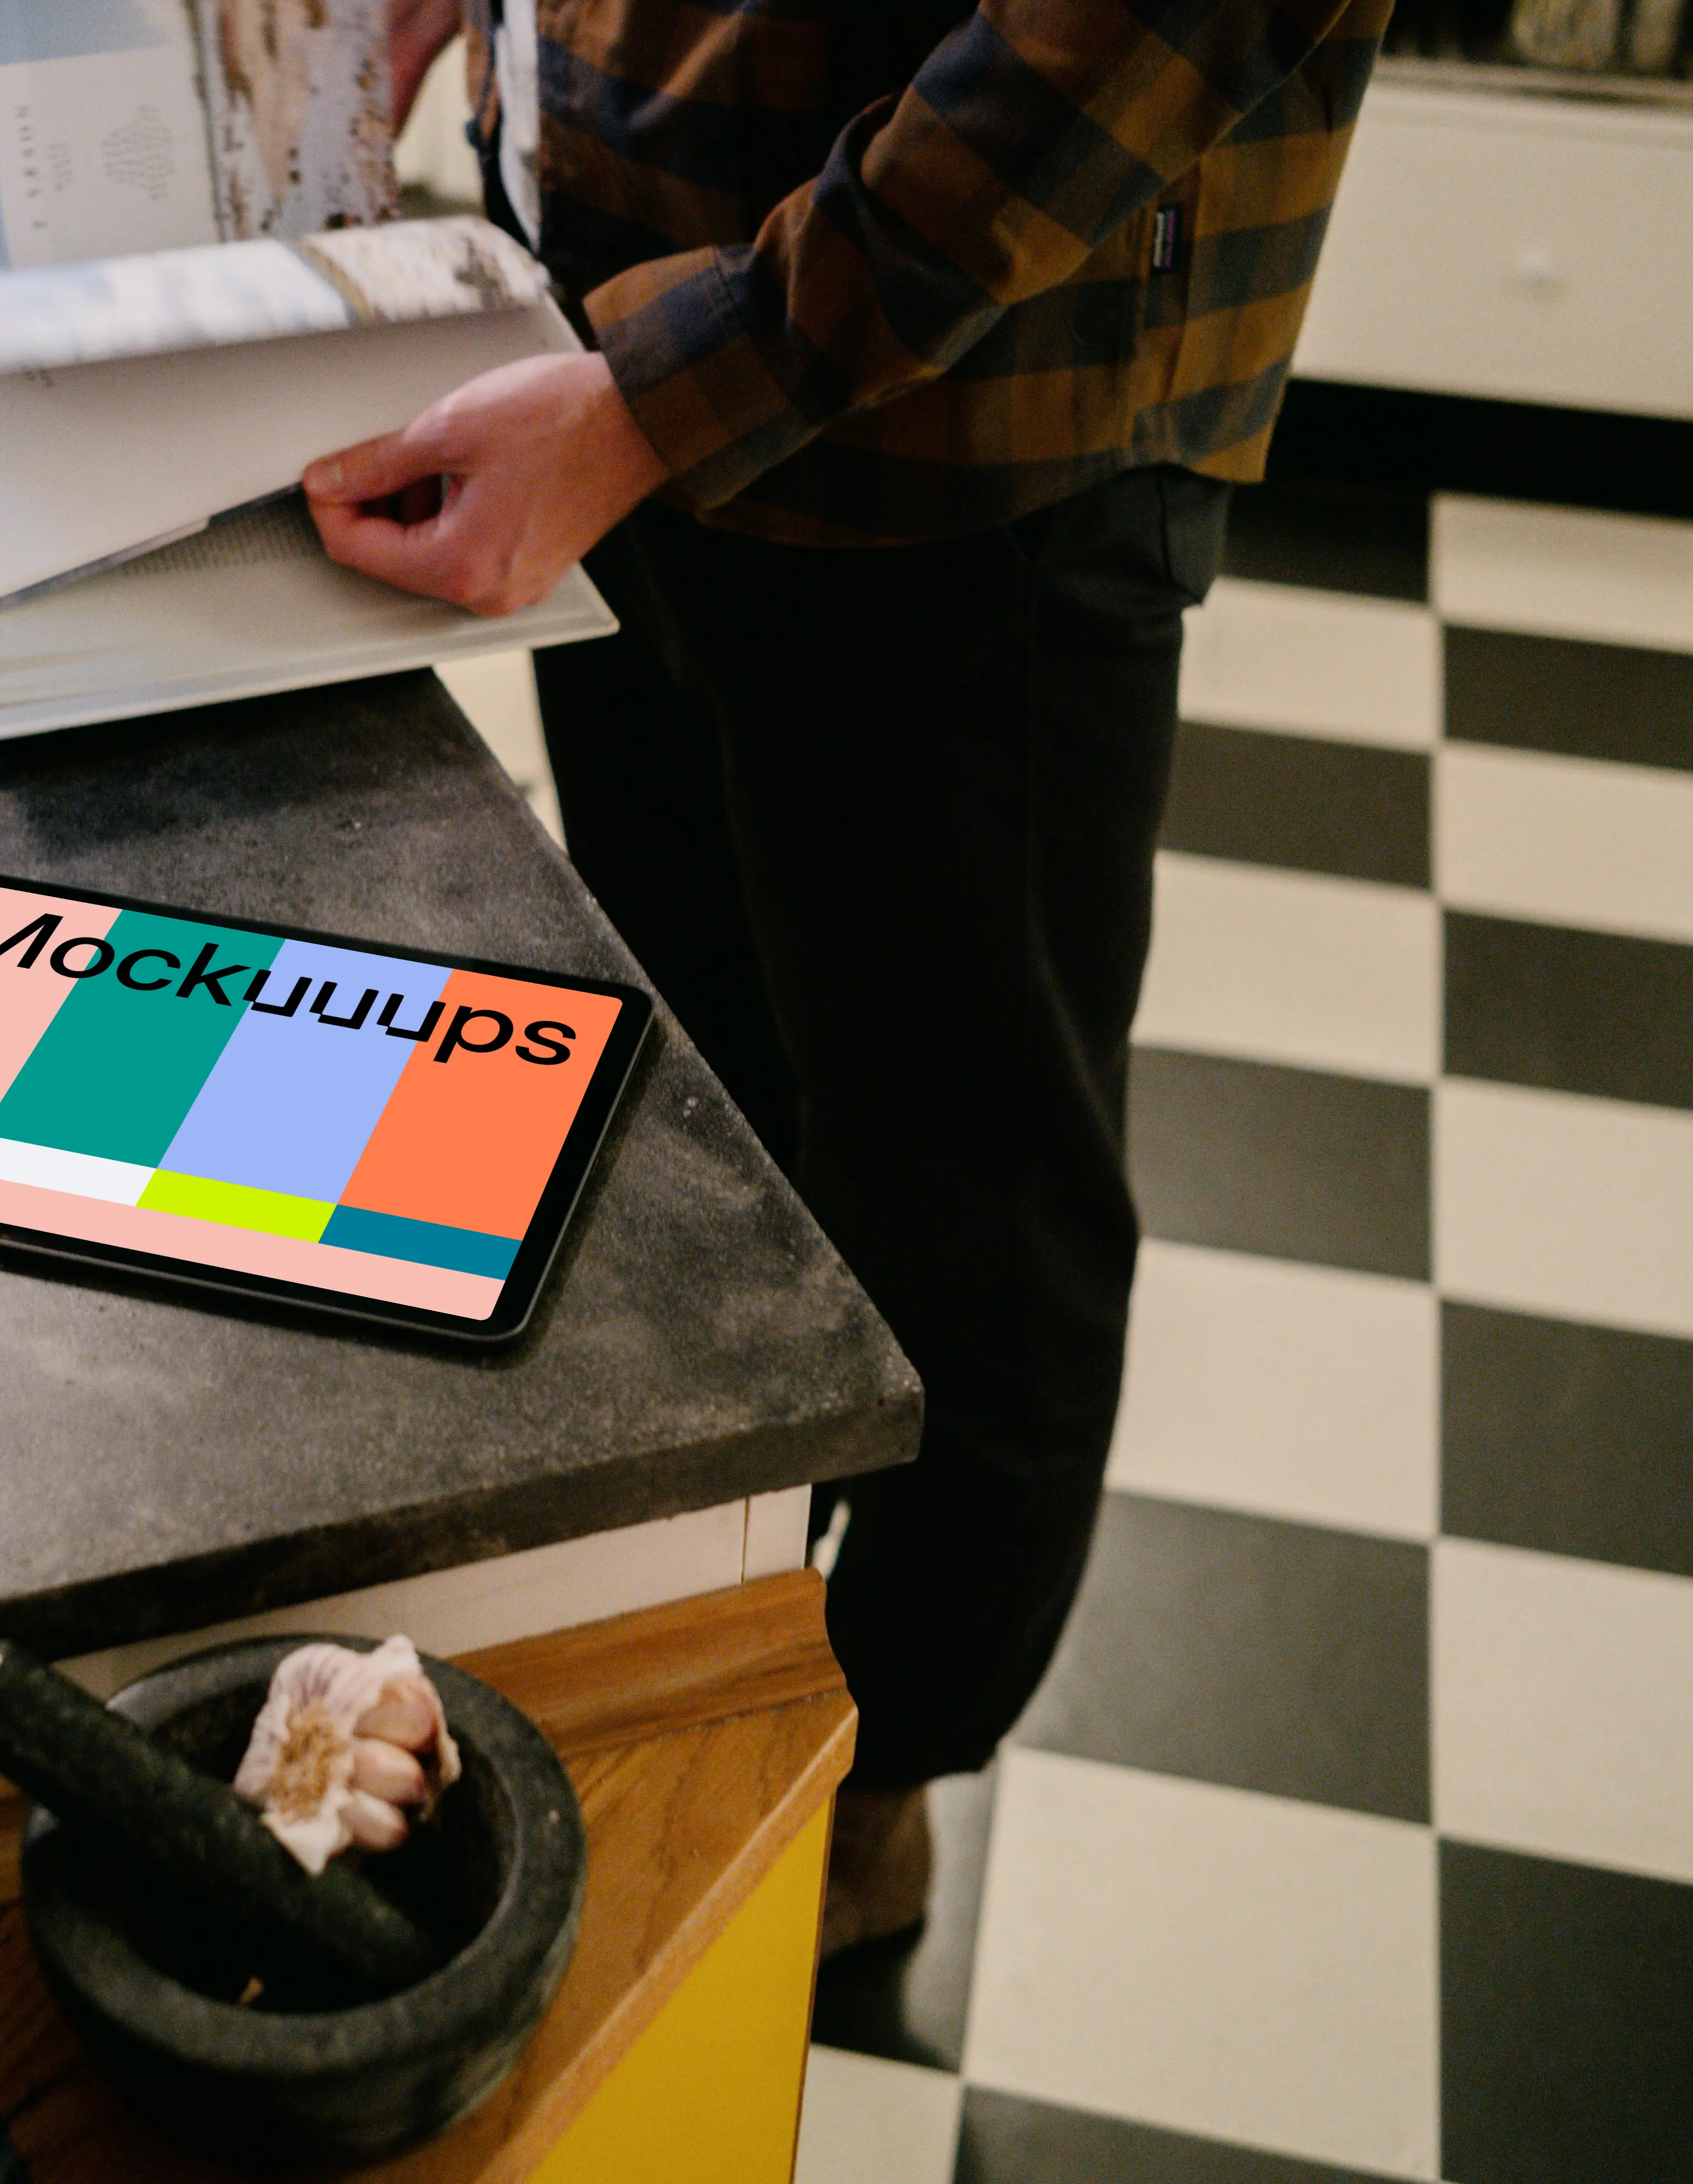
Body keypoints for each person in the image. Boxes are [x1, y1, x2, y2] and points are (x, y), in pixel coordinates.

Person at [304, 0, 1390, 1953]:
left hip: (976, 452)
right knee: (699, 1138)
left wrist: (651, 402)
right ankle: (707, 1650)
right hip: (618, 347)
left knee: (969, 1238)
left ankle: (872, 1779)